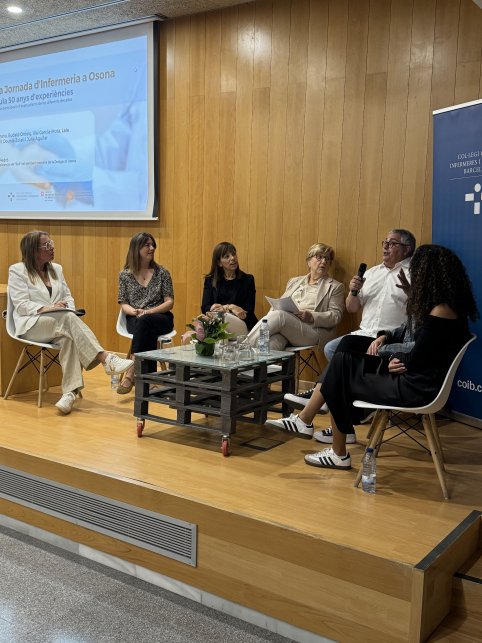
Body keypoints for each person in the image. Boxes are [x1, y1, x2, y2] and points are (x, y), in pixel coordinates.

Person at [273, 245, 479, 471]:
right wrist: (388, 337)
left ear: (430, 275)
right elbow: (417, 341)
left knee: (342, 367)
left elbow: (417, 355)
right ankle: (317, 426)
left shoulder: (441, 311)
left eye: (418, 271)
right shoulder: (440, 305)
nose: (415, 275)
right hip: (414, 376)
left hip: (415, 387)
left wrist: (393, 357)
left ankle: (328, 441)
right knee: (345, 353)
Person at [283, 229, 416, 419]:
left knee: (343, 350)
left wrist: (411, 294)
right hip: (364, 333)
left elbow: (420, 314)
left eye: (392, 243)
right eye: (385, 242)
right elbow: (352, 308)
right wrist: (353, 292)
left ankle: (325, 397)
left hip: (389, 338)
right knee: (332, 349)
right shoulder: (372, 273)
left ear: (406, 249)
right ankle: (341, 401)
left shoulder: (413, 274)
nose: (386, 247)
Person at [8, 231, 133, 414]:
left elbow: (68, 297)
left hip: (59, 324)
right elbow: (21, 305)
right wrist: (51, 308)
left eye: (52, 243)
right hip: (31, 325)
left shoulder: (57, 269)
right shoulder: (18, 270)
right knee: (67, 320)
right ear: (33, 250)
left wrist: (68, 310)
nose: (52, 247)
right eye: (47, 245)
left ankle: (69, 393)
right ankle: (106, 359)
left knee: (69, 337)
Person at [247, 243, 344, 351]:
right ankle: (254, 360)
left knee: (279, 316)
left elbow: (336, 316)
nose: (324, 261)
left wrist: (312, 316)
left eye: (327, 259)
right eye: (319, 257)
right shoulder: (294, 281)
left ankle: (244, 347)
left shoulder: (335, 286)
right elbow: (280, 304)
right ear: (309, 261)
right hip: (288, 327)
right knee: (270, 343)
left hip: (312, 330)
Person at [117, 232, 174, 394]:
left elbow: (169, 302)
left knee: (146, 322)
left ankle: (131, 371)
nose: (152, 248)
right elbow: (123, 303)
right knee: (146, 327)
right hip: (136, 319)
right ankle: (150, 380)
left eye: (153, 245)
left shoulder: (162, 273)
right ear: (136, 248)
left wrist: (148, 311)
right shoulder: (125, 275)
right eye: (147, 245)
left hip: (160, 317)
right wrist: (135, 312)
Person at [201, 242, 257, 336]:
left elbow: (249, 311)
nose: (233, 258)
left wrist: (226, 309)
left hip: (241, 324)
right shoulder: (210, 280)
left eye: (234, 254)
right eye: (227, 256)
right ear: (219, 263)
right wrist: (229, 307)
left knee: (223, 317)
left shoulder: (248, 280)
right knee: (207, 321)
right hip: (218, 324)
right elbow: (204, 308)